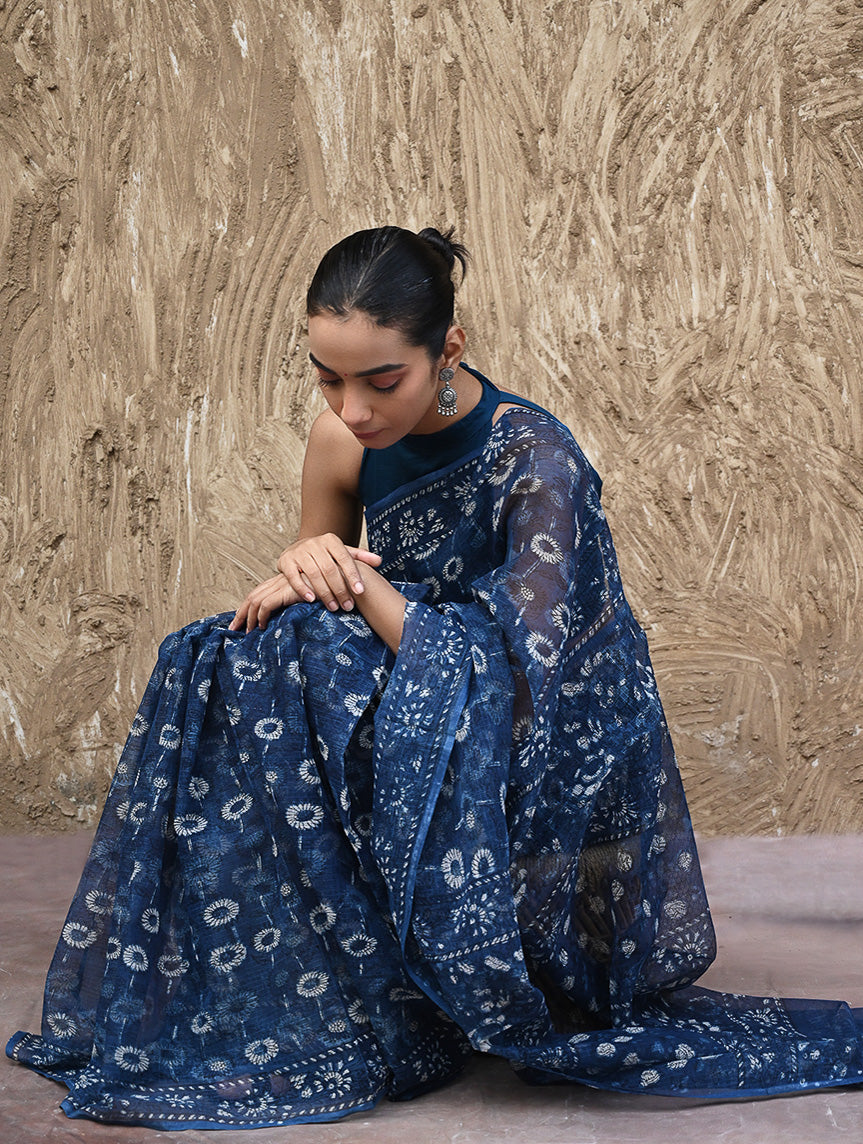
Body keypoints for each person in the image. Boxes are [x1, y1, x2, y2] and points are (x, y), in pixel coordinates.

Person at [7, 226, 863, 1129]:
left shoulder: (537, 462)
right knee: (229, 653)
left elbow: (521, 674)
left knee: (301, 648)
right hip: (427, 678)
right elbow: (320, 585)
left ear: (447, 349)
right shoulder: (341, 437)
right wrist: (306, 566)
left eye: (382, 381)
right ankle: (319, 977)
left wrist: (354, 581)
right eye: (326, 379)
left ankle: (443, 976)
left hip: (552, 735)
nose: (353, 410)